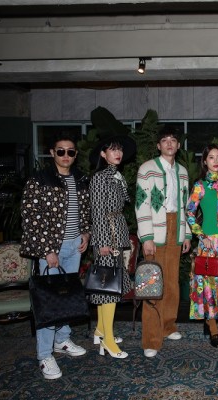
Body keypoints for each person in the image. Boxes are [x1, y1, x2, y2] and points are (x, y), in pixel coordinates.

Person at [20, 132, 90, 380]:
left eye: (70, 151)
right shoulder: (39, 180)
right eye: (61, 151)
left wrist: (86, 233)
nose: (65, 155)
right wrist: (47, 250)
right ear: (52, 153)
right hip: (51, 248)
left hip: (74, 246)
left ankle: (62, 340)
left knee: (67, 295)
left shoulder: (81, 179)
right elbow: (30, 217)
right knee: (49, 301)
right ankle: (44, 355)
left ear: (75, 154)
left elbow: (84, 211)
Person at [135, 128, 192, 358]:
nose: (169, 144)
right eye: (165, 140)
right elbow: (142, 204)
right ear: (158, 146)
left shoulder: (183, 172)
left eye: (173, 140)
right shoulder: (147, 169)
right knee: (152, 284)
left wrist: (186, 233)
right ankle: (151, 338)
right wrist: (146, 237)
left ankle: (168, 326)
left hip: (176, 227)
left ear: (178, 145)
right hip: (155, 230)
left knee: (171, 282)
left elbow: (185, 206)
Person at [87, 133, 137, 359]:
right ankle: (107, 340)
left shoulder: (116, 175)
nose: (118, 153)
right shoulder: (100, 178)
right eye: (113, 149)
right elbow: (97, 212)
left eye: (120, 149)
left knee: (107, 285)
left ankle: (100, 330)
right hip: (107, 236)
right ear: (103, 153)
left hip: (115, 232)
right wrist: (103, 242)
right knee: (109, 289)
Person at [186, 144, 218, 348]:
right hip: (209, 244)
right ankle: (213, 329)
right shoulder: (200, 186)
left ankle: (210, 323)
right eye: (211, 157)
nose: (215, 161)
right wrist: (201, 235)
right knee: (209, 285)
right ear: (205, 161)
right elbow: (189, 212)